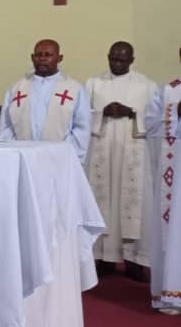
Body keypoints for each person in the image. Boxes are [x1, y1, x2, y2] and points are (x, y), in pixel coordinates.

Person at [85, 41, 158, 280]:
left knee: (134, 203)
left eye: (122, 60)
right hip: (102, 152)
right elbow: (82, 115)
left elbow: (155, 118)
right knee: (102, 202)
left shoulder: (147, 85)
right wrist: (101, 113)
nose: (116, 63)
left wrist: (133, 112)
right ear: (108, 56)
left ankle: (134, 260)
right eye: (113, 59)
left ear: (132, 60)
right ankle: (104, 257)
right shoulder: (93, 84)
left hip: (133, 154)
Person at [0, 39, 91, 162]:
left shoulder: (75, 89)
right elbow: (6, 126)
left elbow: (82, 127)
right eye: (38, 55)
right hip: (23, 157)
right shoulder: (16, 89)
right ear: (32, 58)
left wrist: (68, 153)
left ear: (59, 58)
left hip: (60, 158)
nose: (42, 58)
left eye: (48, 55)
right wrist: (12, 153)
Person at [145, 46, 181, 315]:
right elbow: (150, 124)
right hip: (176, 174)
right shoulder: (169, 91)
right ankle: (173, 293)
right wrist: (175, 113)